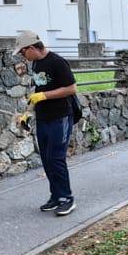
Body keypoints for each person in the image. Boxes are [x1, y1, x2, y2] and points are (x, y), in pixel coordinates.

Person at [13, 30, 79, 216]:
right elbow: (38, 90)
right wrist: (28, 113)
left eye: (22, 52)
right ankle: (56, 196)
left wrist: (45, 95)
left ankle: (67, 198)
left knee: (57, 158)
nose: (22, 56)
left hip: (60, 116)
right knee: (47, 160)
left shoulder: (57, 62)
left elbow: (71, 88)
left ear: (32, 47)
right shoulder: (36, 64)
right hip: (43, 117)